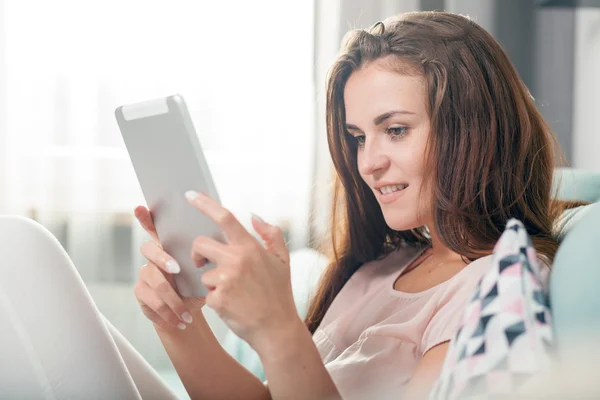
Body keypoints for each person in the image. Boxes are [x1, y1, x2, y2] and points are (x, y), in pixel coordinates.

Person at [0, 11, 571, 400]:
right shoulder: (379, 269)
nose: (367, 162)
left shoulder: (495, 286)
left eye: (394, 130)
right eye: (356, 136)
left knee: (21, 250)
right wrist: (181, 322)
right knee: (19, 270)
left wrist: (277, 329)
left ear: (476, 130)